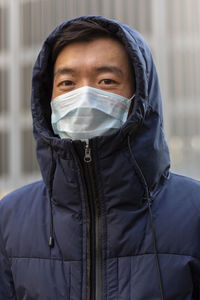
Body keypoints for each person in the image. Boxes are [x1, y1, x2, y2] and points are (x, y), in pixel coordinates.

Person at [0, 15, 200, 300]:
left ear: (140, 96)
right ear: (48, 100)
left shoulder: (193, 213)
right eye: (67, 83)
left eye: (106, 81)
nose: (84, 96)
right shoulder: (11, 217)